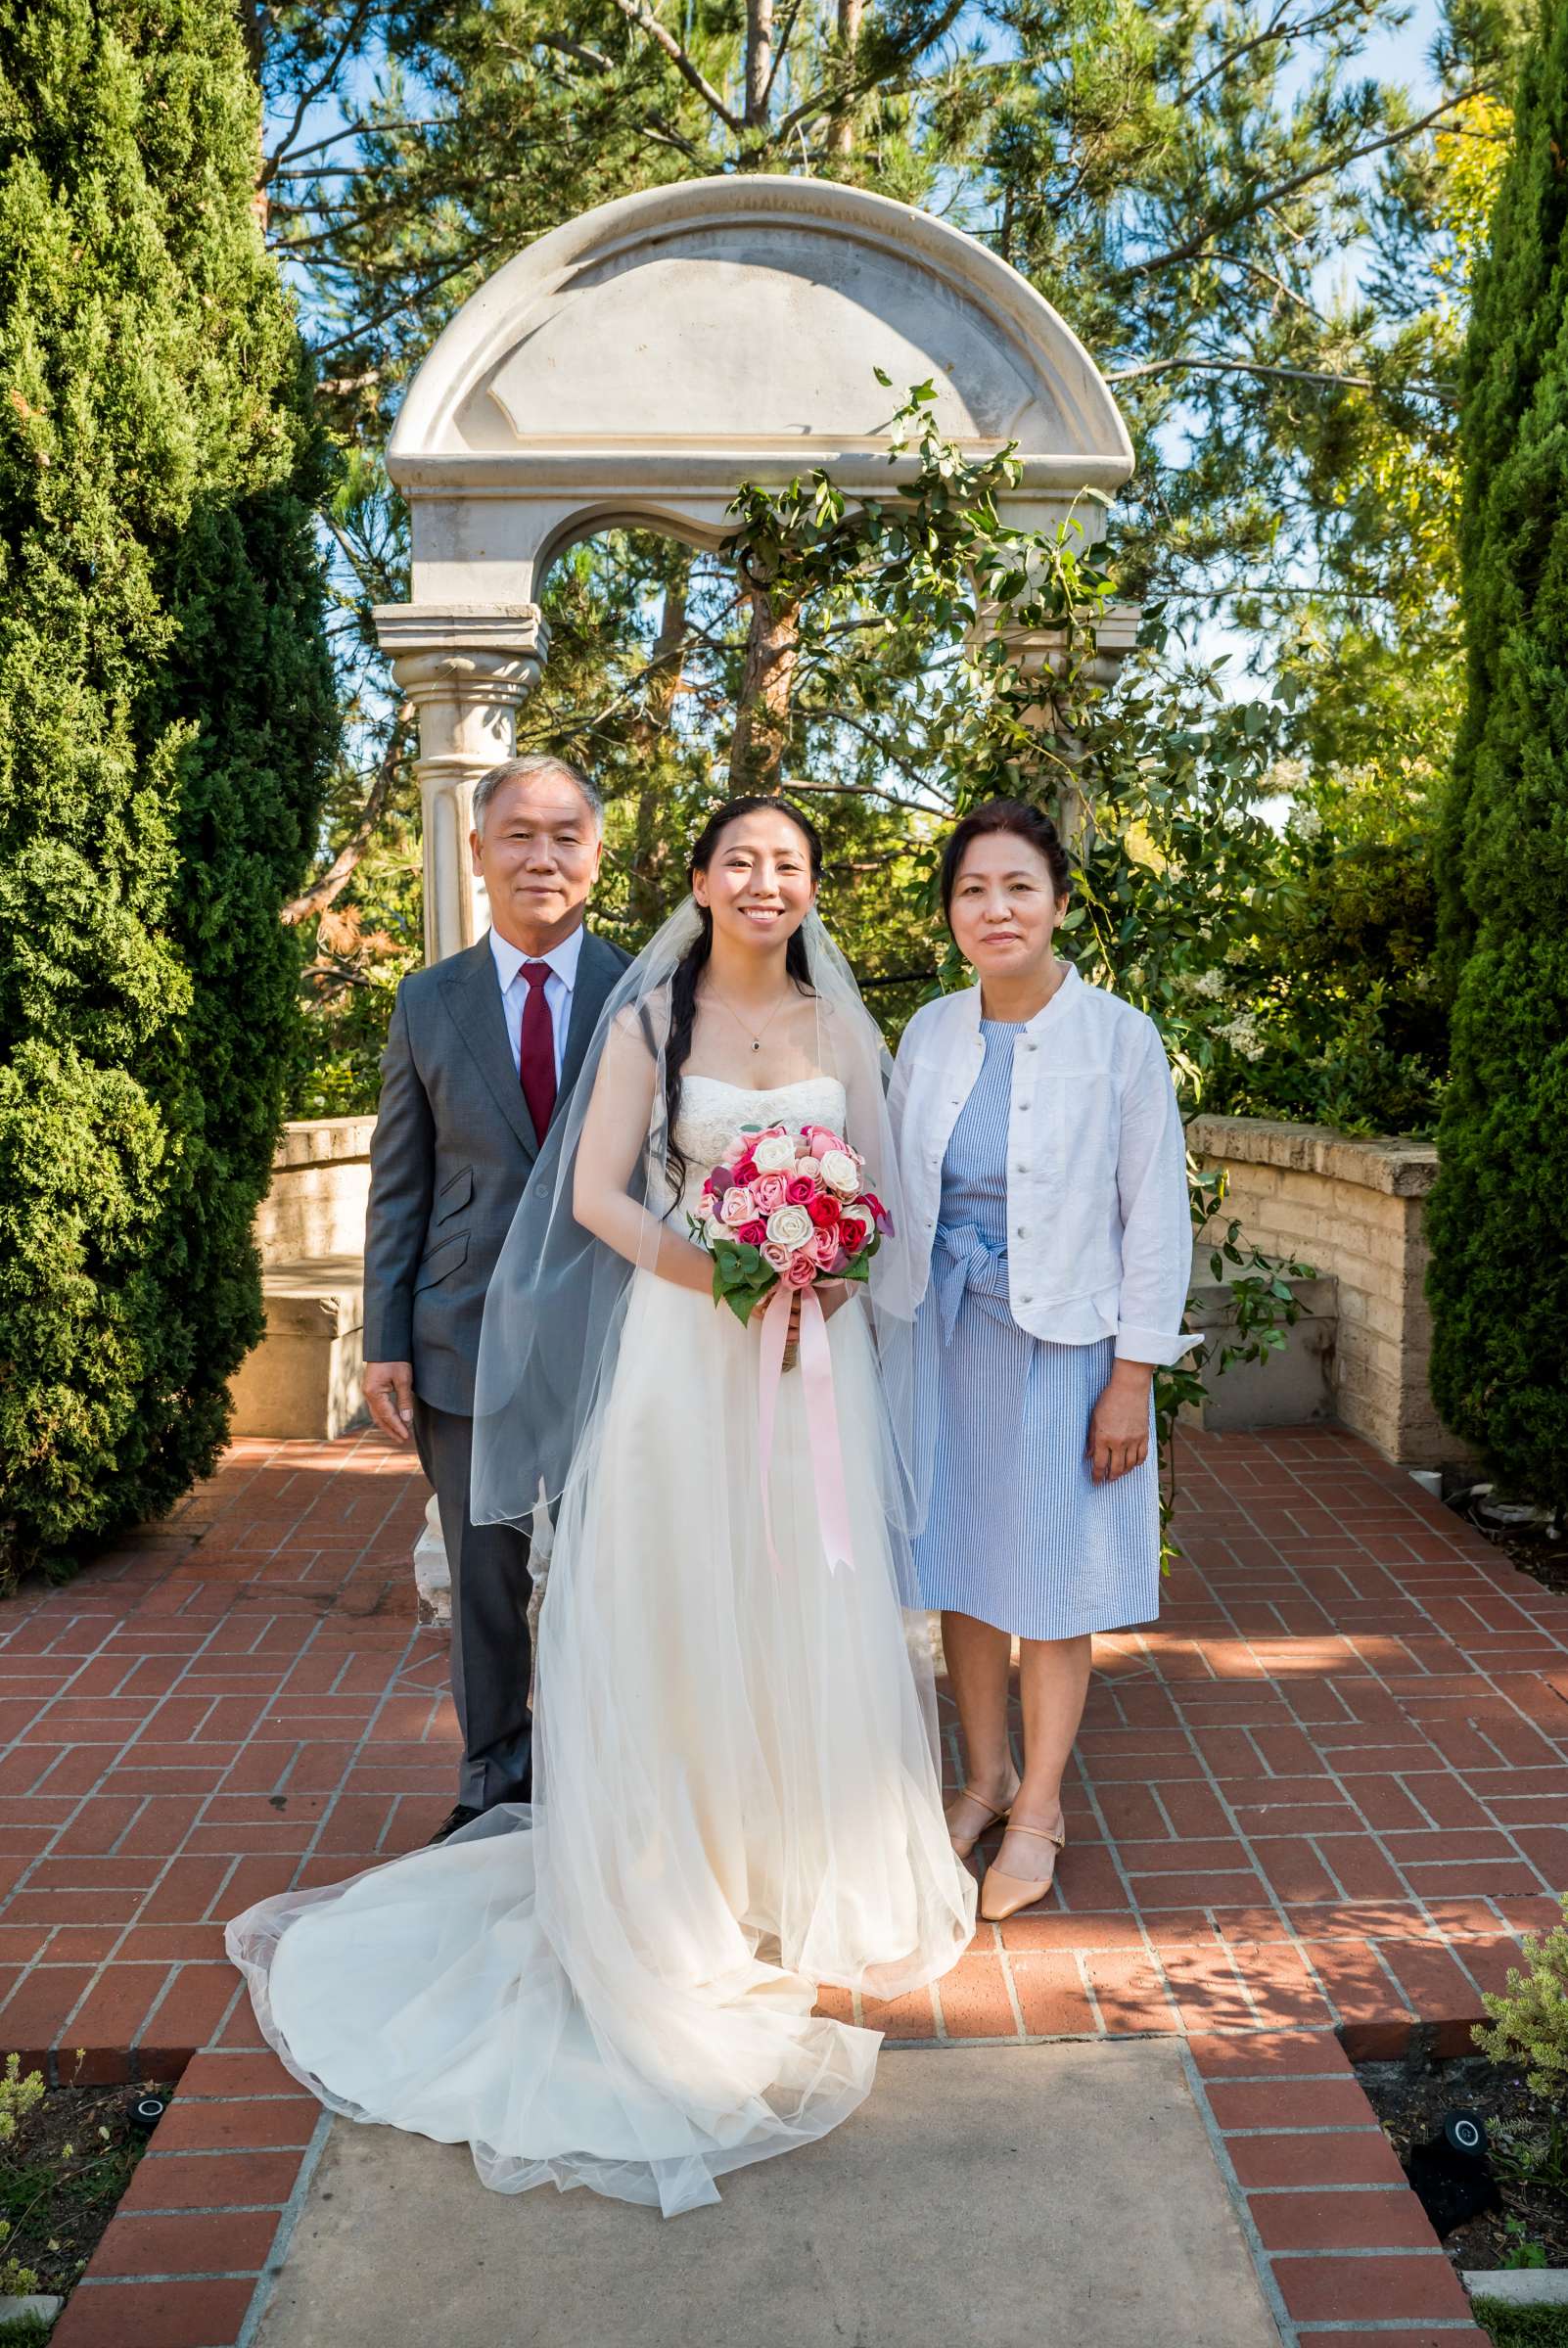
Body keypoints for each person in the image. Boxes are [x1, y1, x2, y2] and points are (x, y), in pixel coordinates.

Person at [227, 796, 975, 2218]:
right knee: (681, 1596)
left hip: (813, 1359)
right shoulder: (649, 1020)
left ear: (813, 889)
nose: (765, 882)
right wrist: (730, 1271)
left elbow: (878, 1196)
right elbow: (596, 1197)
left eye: (790, 864)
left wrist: (822, 1256)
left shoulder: (837, 1024)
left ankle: (793, 1857)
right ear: (699, 880)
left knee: (798, 1592)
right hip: (689, 1358)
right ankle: (674, 1864)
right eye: (739, 860)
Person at [890, 799, 1194, 1923]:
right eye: (973, 890)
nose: (996, 908)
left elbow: (1156, 1219)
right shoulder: (927, 1033)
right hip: (949, 1338)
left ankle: (1042, 1809)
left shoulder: (1120, 1038)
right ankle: (984, 1778)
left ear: (1060, 903)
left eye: (1018, 886)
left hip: (1072, 1347)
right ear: (952, 915)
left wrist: (1134, 1378)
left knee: (1055, 1588)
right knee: (964, 1570)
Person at [359, 754, 629, 1844]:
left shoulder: (648, 991)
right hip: (461, 1330)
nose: (542, 855)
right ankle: (489, 1783)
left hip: (614, 1330)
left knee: (610, 1565)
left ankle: (600, 1773)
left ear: (596, 855)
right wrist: (385, 1340)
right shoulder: (429, 1002)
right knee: (484, 1575)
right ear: (477, 852)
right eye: (518, 833)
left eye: (566, 833)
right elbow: (400, 1181)